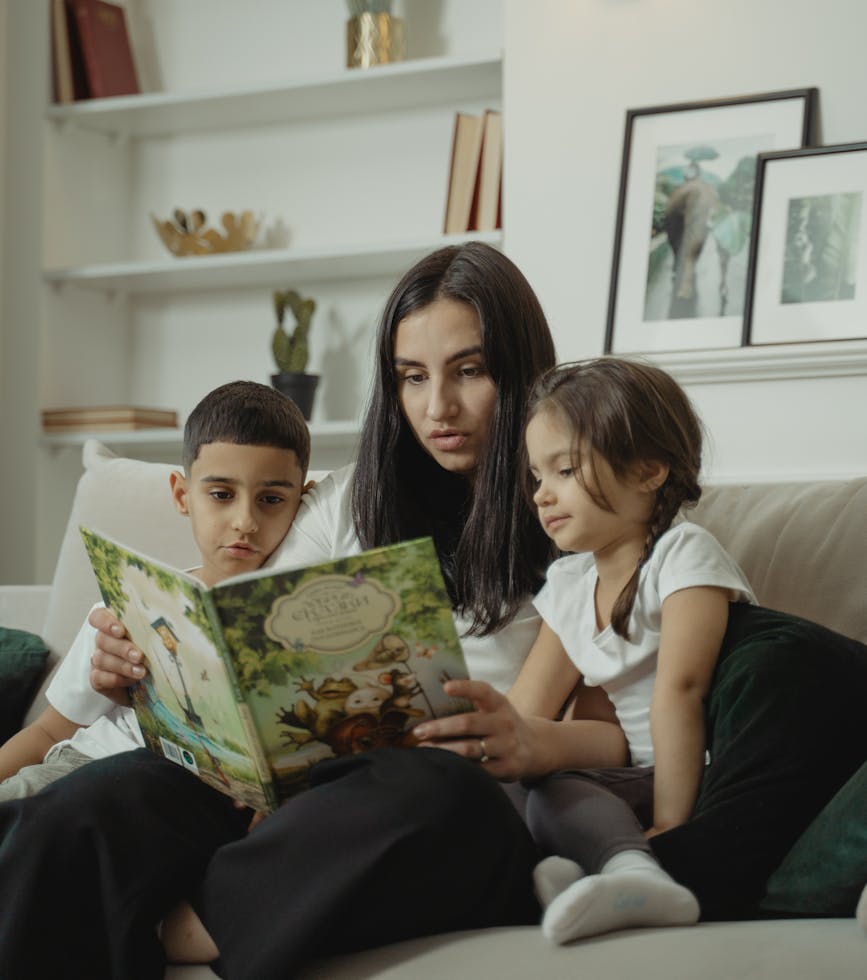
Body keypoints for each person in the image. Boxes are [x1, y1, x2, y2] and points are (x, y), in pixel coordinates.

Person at [0, 242, 562, 980]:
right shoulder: (347, 499)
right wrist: (143, 667)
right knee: (100, 800)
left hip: (422, 808)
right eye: (411, 378)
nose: (437, 408)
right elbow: (247, 638)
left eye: (470, 371)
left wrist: (526, 737)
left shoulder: (571, 507)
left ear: (518, 371)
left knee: (442, 794)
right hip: (284, 796)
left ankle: (185, 925)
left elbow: (618, 725)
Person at [417, 356, 867, 929]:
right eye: (537, 476)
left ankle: (642, 870)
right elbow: (527, 719)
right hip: (630, 774)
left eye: (565, 471)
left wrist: (674, 821)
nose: (541, 495)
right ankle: (597, 871)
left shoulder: (684, 556)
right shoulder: (569, 584)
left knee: (562, 787)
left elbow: (681, 689)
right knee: (539, 788)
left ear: (650, 470)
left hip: (689, 775)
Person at [0, 379, 312, 802]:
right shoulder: (131, 601)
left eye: (271, 499)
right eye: (221, 494)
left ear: (303, 502)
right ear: (183, 495)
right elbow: (47, 732)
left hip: (174, 796)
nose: (245, 521)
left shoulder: (306, 621)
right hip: (77, 771)